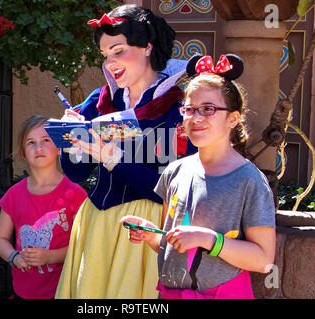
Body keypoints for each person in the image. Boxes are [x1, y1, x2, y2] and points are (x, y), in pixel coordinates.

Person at [55, 4, 196, 299]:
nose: (110, 63)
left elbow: (170, 191)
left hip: (145, 230)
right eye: (105, 55)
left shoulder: (177, 110)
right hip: (97, 224)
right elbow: (76, 173)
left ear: (147, 47)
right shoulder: (100, 100)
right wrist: (72, 140)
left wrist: (112, 159)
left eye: (119, 51)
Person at [120, 54, 276, 299]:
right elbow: (174, 247)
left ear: (233, 119)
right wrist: (154, 236)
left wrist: (209, 239)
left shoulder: (249, 181)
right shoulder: (174, 172)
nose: (196, 118)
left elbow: (264, 260)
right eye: (190, 109)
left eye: (208, 109)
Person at [0, 115, 87, 299]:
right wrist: (14, 257)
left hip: (62, 291)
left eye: (46, 140)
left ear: (59, 148)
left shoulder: (75, 193)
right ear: (22, 153)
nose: (39, 147)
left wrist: (49, 257)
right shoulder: (14, 194)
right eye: (31, 142)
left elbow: (84, 245)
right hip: (23, 291)